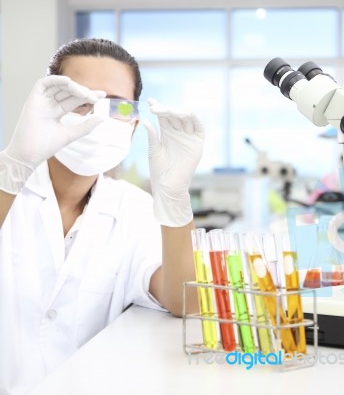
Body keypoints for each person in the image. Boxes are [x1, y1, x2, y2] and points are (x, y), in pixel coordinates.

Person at [0, 38, 204, 394]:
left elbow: (185, 301)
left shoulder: (135, 209)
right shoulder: (6, 187)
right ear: (46, 108)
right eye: (81, 101)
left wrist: (173, 199)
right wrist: (13, 168)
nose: (97, 116)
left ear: (135, 125)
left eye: (117, 106)